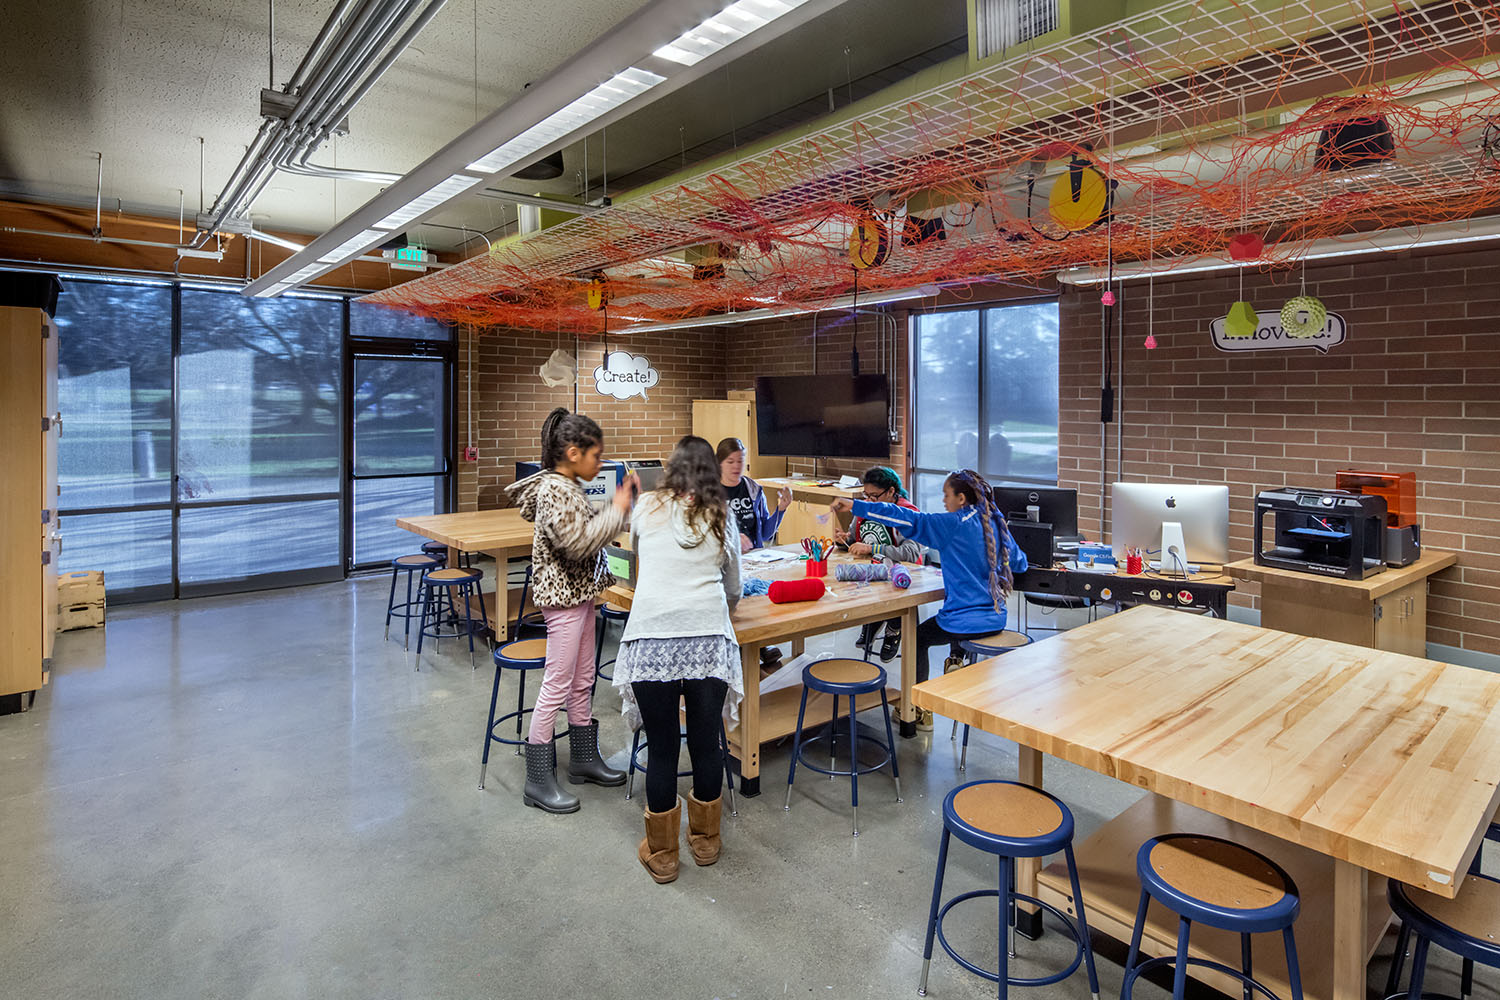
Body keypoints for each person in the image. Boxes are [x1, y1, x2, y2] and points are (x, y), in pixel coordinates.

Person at [613, 435, 742, 884]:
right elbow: (734, 589)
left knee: (664, 744)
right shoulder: (722, 514)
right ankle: (705, 840)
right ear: (709, 470)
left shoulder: (646, 507)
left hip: (652, 636)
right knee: (707, 740)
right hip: (707, 637)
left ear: (671, 468)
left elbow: (639, 563)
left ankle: (663, 853)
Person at [506, 407, 638, 813]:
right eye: (597, 456)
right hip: (562, 603)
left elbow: (582, 536)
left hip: (580, 596)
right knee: (556, 686)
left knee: (582, 681)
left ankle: (583, 758)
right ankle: (538, 779)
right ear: (573, 452)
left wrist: (612, 514)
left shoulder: (568, 487)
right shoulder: (554, 491)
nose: (601, 464)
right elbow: (578, 544)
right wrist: (617, 509)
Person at [831, 468, 1026, 730]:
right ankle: (955, 661)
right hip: (997, 618)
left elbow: (904, 516)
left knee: (917, 637)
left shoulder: (951, 524)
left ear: (961, 499)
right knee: (953, 620)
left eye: (946, 495)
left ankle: (917, 710)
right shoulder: (995, 524)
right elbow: (1019, 563)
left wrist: (857, 506)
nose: (943, 501)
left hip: (962, 621)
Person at [835, 466, 923, 662]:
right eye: (866, 496)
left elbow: (910, 553)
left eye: (874, 496)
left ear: (892, 491)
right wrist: (845, 540)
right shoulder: (865, 508)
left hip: (901, 574)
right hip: (874, 572)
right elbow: (856, 540)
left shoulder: (906, 512)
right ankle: (874, 620)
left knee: (892, 587)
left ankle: (893, 627)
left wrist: (872, 549)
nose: (869, 501)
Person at [716, 437, 792, 553]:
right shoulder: (708, 492)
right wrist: (732, 539)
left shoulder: (754, 490)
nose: (736, 466)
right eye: (730, 462)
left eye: (740, 461)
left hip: (752, 558)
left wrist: (781, 509)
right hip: (721, 559)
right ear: (719, 464)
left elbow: (765, 534)